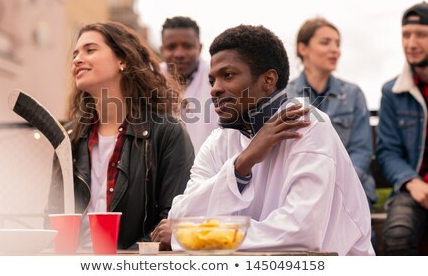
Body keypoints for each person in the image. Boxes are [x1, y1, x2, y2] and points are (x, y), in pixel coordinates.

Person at [152, 24, 374, 255]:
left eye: (228, 75)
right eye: (212, 80)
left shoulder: (309, 124)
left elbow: (300, 233)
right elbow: (181, 217)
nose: (215, 90)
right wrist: (241, 165)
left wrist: (194, 236)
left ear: (268, 80)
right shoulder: (220, 139)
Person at [46, 21, 195, 250]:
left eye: (90, 50)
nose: (77, 59)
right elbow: (52, 218)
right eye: (75, 53)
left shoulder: (167, 132)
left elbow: (174, 220)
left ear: (122, 60)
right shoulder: (68, 138)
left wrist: (127, 259)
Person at [287, 17, 377, 208]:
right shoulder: (285, 96)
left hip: (349, 188)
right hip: (299, 190)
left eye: (337, 43)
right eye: (325, 42)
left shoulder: (353, 94)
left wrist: (335, 183)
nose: (335, 49)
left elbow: (361, 151)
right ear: (303, 48)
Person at [376, 1, 428, 255]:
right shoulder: (392, 92)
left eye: (421, 34)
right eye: (406, 35)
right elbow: (387, 151)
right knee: (397, 235)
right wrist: (411, 181)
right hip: (414, 189)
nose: (411, 43)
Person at [160, 16, 219, 154]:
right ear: (162, 49)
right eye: (171, 47)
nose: (179, 54)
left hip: (211, 171)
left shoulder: (218, 77)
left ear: (199, 48)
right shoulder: (150, 79)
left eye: (187, 46)